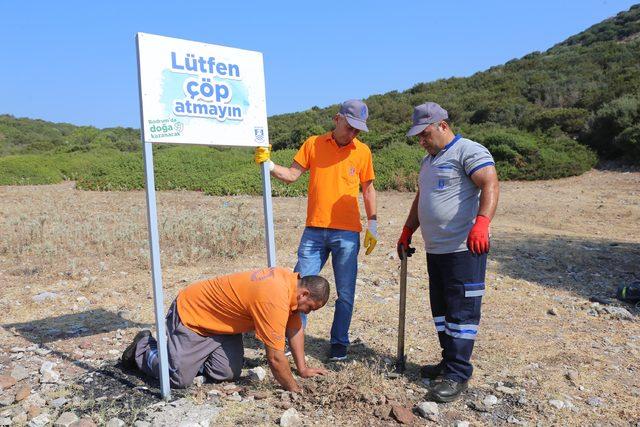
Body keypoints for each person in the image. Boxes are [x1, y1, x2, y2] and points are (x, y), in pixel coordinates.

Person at [254, 99, 378, 361]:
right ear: (337, 119)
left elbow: (368, 189)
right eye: (350, 126)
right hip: (314, 231)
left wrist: (373, 223)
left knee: (345, 292)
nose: (353, 133)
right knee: (298, 287)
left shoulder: (363, 151)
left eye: (358, 129)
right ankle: (293, 340)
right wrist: (269, 164)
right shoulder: (313, 144)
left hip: (347, 233)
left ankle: (339, 343)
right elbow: (291, 175)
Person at [397, 102, 499, 403]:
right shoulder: (427, 161)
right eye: (418, 136)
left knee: (462, 312)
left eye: (425, 134)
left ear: (443, 126)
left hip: (463, 249)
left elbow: (490, 182)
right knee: (441, 311)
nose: (422, 140)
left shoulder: (468, 150)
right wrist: (407, 230)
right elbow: (422, 198)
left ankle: (457, 373)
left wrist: (482, 222)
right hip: (436, 250)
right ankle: (447, 361)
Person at [121, 267, 330, 392]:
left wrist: (302, 369)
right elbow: (275, 358)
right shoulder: (274, 298)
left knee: (226, 372)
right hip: (193, 316)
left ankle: (189, 357)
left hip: (222, 327)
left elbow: (295, 330)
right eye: (310, 308)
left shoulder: (290, 285)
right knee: (178, 379)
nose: (308, 313)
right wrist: (293, 389)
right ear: (304, 294)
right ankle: (144, 348)